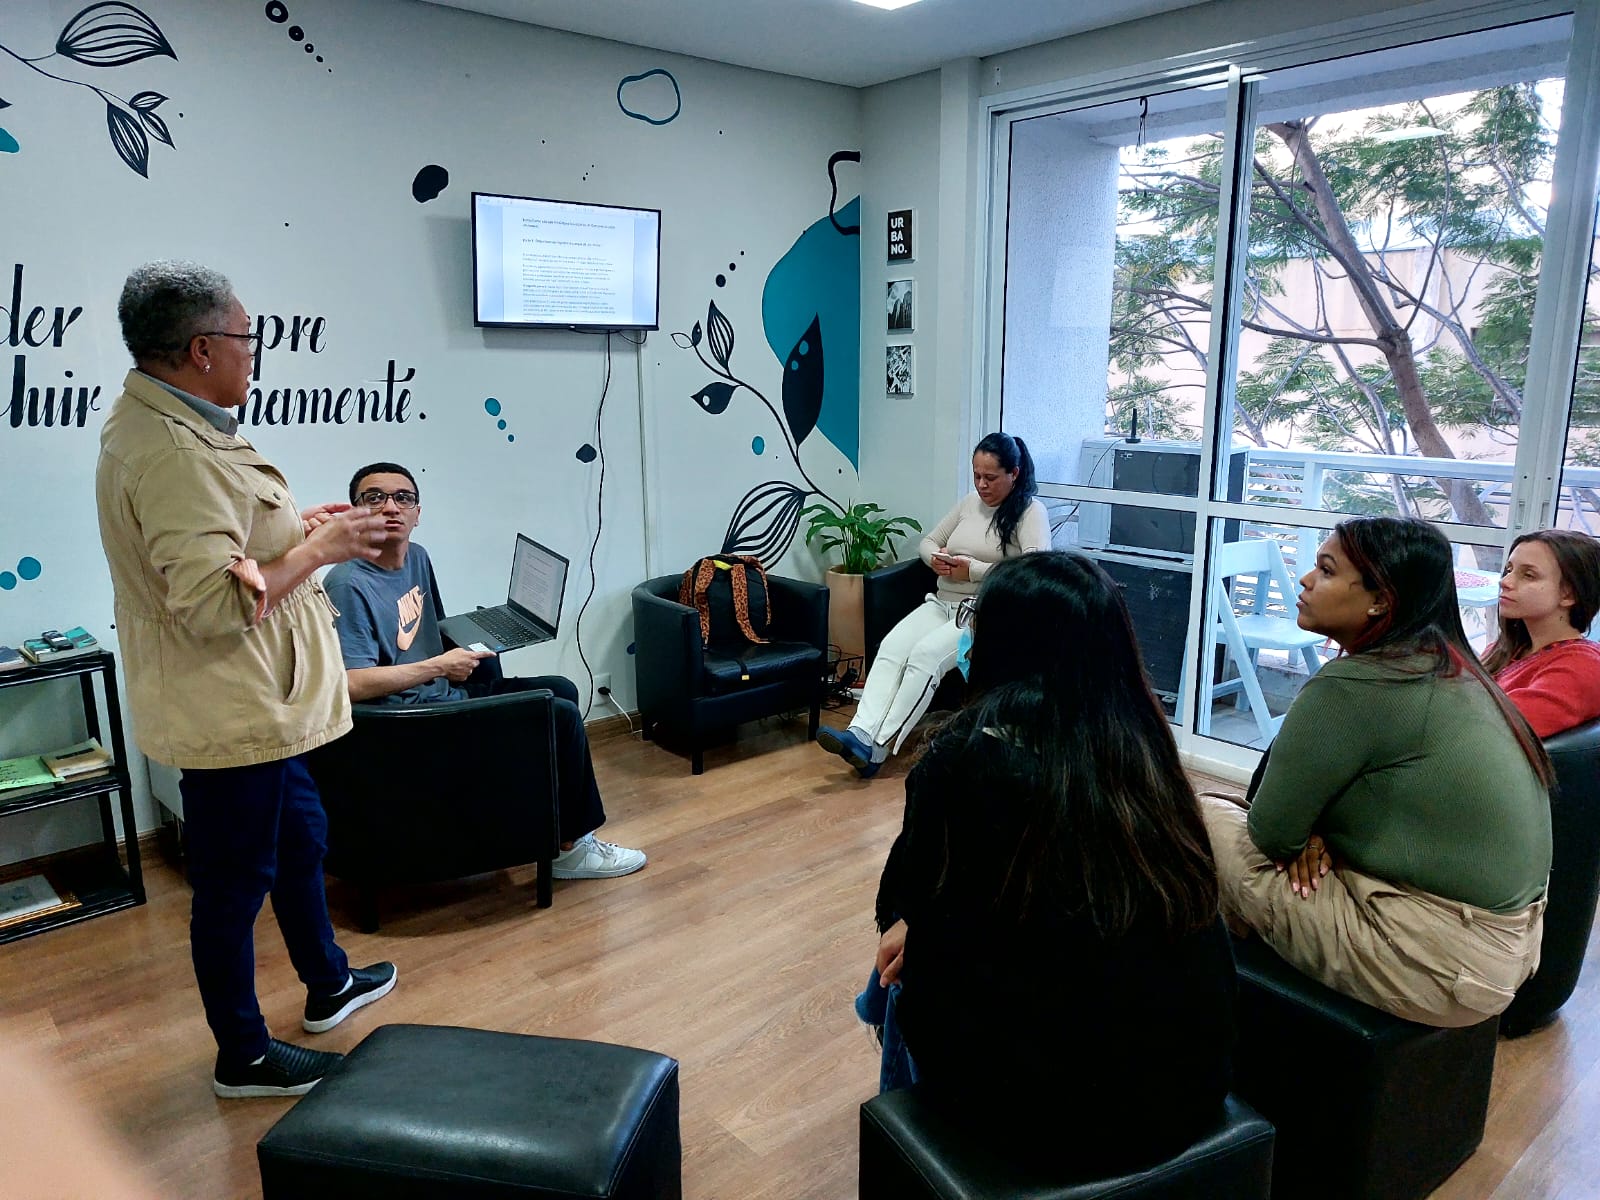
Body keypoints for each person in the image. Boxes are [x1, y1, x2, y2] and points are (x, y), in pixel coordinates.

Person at [96, 262, 397, 1098]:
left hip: (263, 701)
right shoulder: (171, 453)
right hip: (227, 706)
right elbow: (211, 606)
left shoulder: (179, 422)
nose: (254, 353)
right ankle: (245, 1055)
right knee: (232, 886)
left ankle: (328, 983)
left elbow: (229, 549)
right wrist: (321, 551)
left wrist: (295, 528)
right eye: (246, 338)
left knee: (301, 837)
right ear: (202, 349)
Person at [862, 552, 1236, 1169]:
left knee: (894, 976)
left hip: (1050, 1120)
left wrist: (916, 931)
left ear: (1002, 642)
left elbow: (911, 899)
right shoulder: (1145, 750)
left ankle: (903, 1134)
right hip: (1191, 1086)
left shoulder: (966, 758)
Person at [1201, 517, 1552, 1027]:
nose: (1305, 580)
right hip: (1510, 950)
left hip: (1441, 962)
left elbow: (1272, 833)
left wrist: (1303, 836)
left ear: (1381, 601)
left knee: (1200, 816)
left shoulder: (1356, 685)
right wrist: (1310, 835)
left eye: (1326, 570)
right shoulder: (1456, 670)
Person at [322, 462, 645, 880]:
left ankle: (559, 833)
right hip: (408, 724)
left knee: (561, 688)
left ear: (418, 513)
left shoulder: (416, 557)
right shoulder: (348, 585)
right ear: (354, 513)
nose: (390, 507)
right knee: (561, 715)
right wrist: (438, 666)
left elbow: (429, 630)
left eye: (403, 498)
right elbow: (350, 684)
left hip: (441, 696)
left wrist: (477, 636)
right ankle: (574, 849)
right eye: (374, 498)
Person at [818, 432, 1049, 777]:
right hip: (942, 602)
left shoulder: (1030, 512)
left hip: (982, 612)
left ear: (1014, 473)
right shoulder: (969, 503)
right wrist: (935, 560)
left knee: (925, 656)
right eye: (976, 475)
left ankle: (876, 748)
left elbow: (1035, 569)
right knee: (892, 647)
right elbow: (929, 541)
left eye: (990, 477)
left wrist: (973, 569)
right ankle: (859, 733)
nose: (981, 485)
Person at [1483, 529, 1600, 738]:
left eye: (1528, 575)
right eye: (1509, 570)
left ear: (1568, 594)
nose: (1505, 582)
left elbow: (1492, 731)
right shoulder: (1502, 650)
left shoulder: (1581, 668)